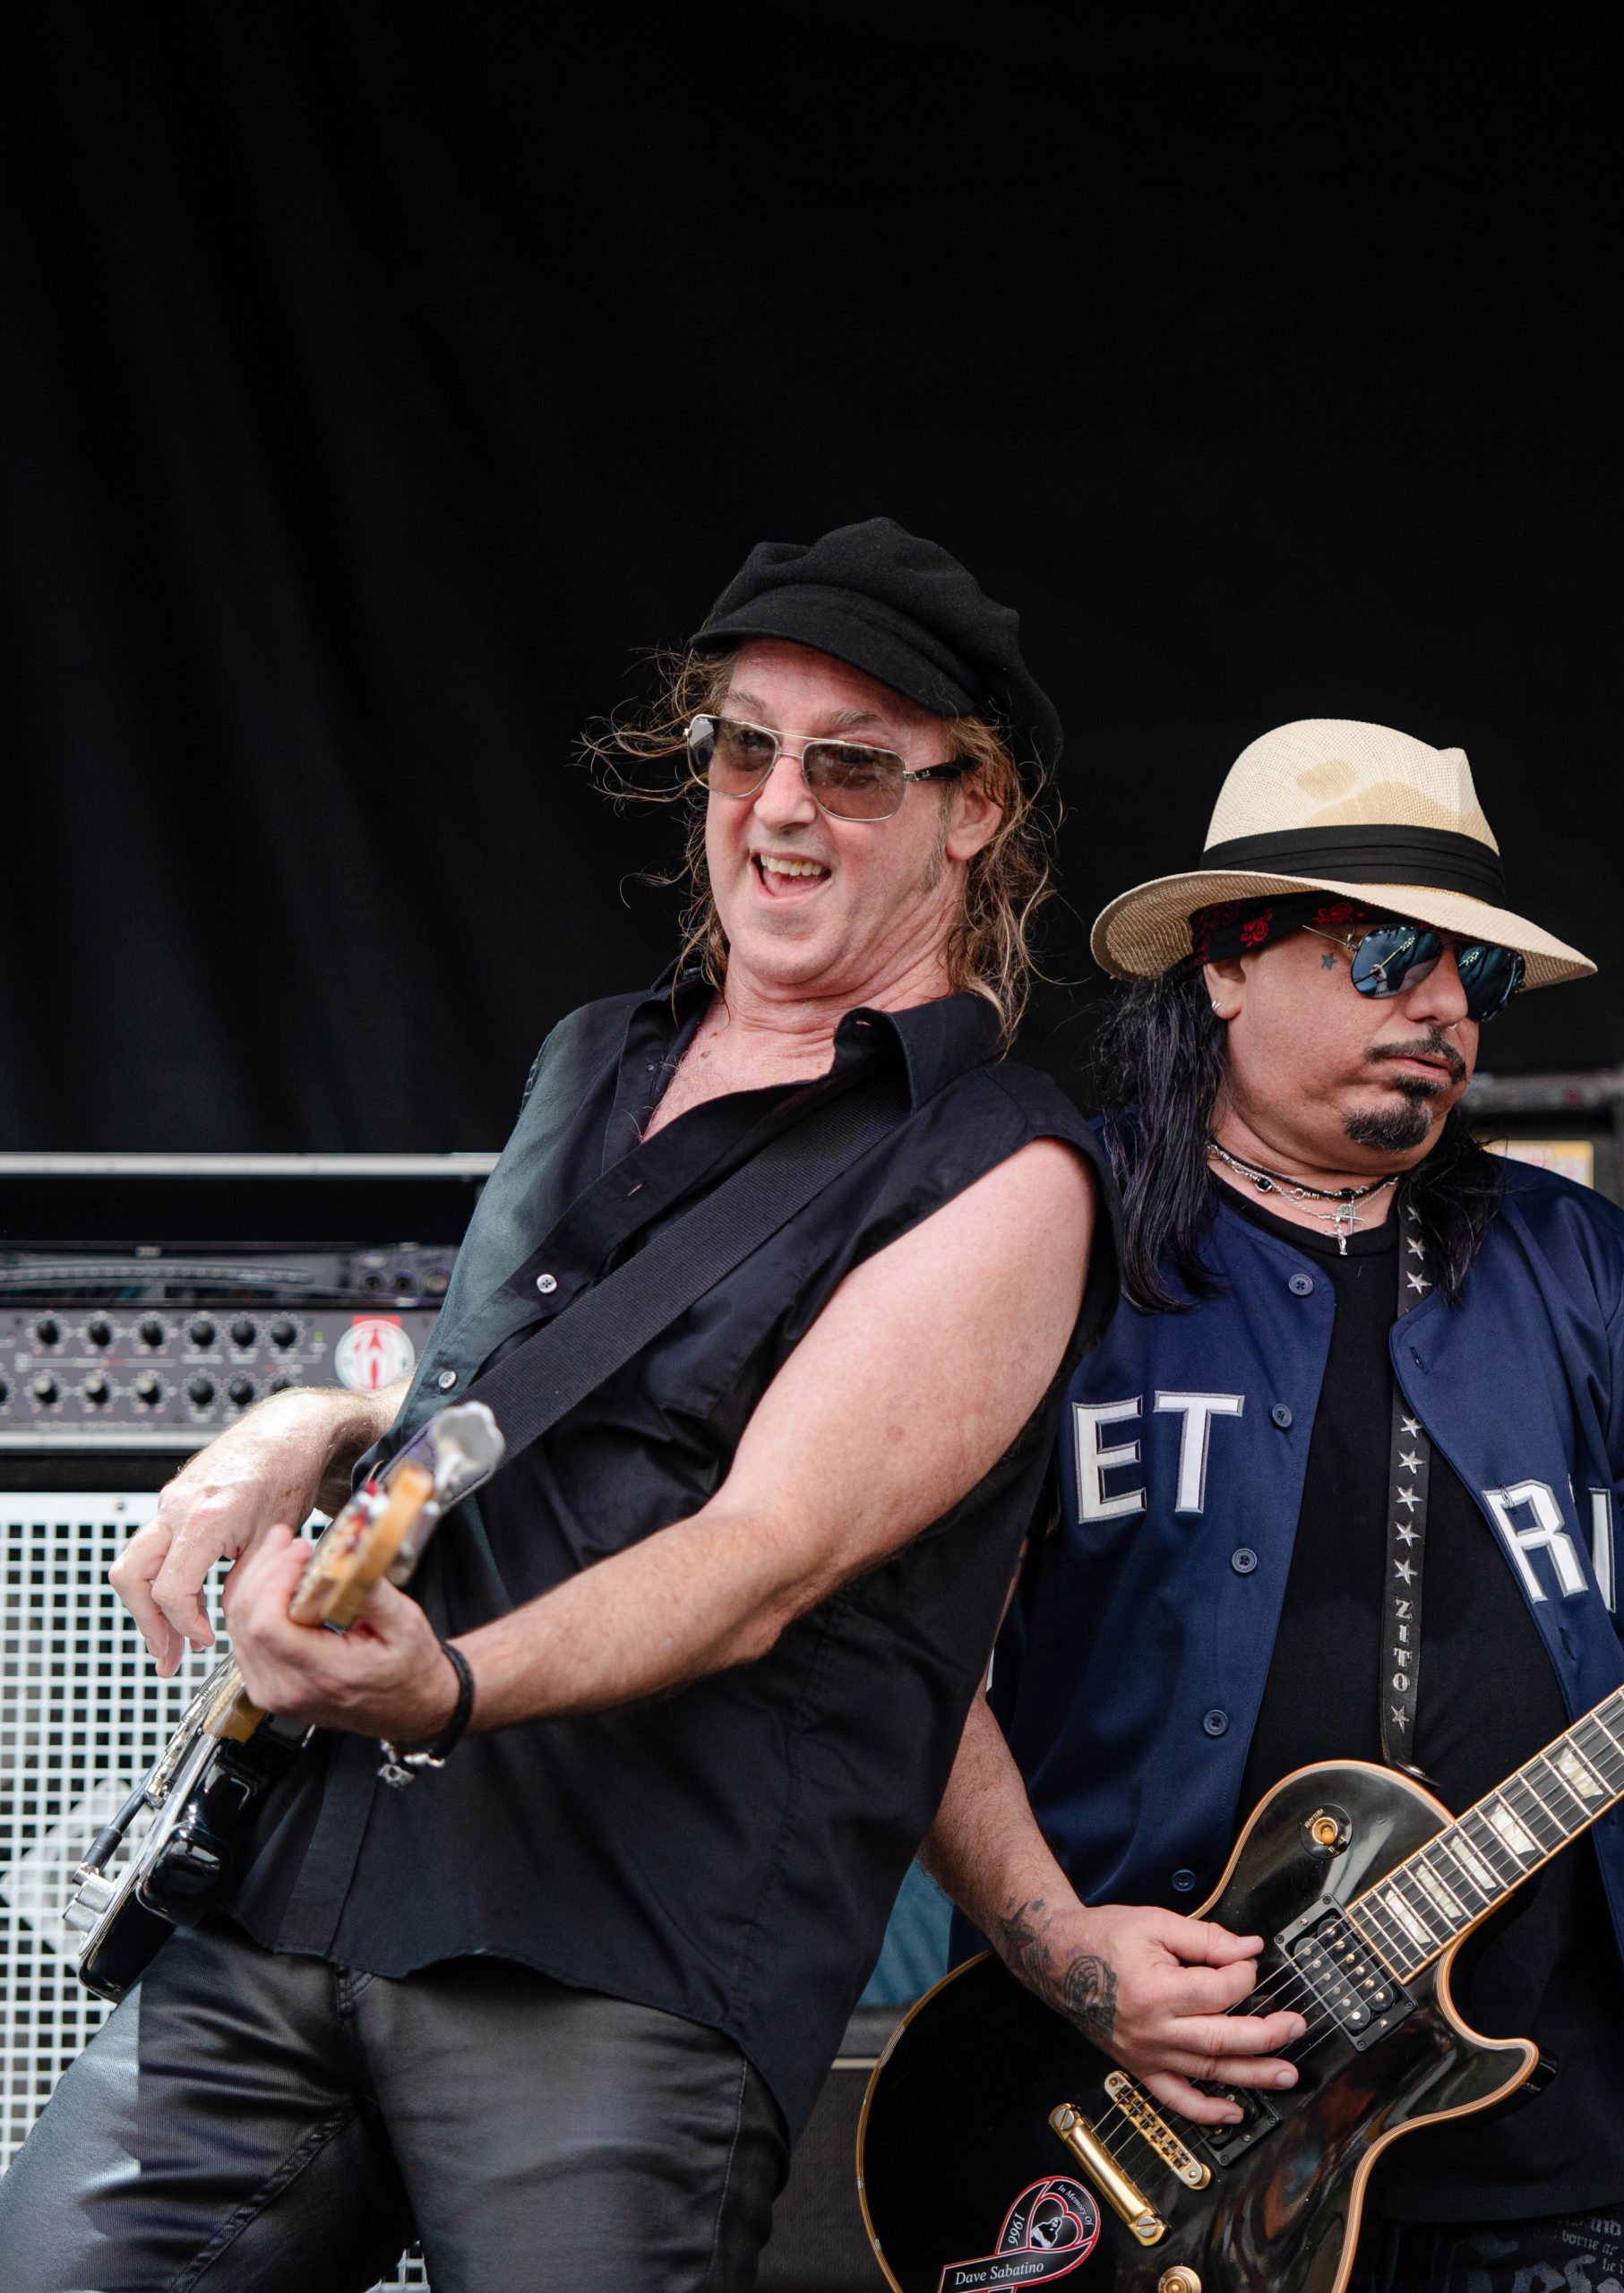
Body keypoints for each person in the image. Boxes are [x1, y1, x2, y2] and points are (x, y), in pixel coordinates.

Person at [2, 519, 1110, 2293]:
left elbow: (760, 1552)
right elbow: (494, 1416)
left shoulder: (1004, 1167)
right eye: (741, 748)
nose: (779, 805)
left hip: (614, 1962)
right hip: (302, 1886)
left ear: (970, 805)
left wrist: (443, 1684)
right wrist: (312, 1424)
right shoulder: (593, 1055)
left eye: (849, 765)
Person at [922, 720, 1624, 2293]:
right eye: (1386, 957)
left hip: (1545, 2138)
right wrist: (1071, 1953)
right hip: (1136, 2133)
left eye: (1473, 974)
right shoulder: (1050, 1230)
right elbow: (912, 1673)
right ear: (1226, 961)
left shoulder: (1581, 1265)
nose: (1443, 1010)